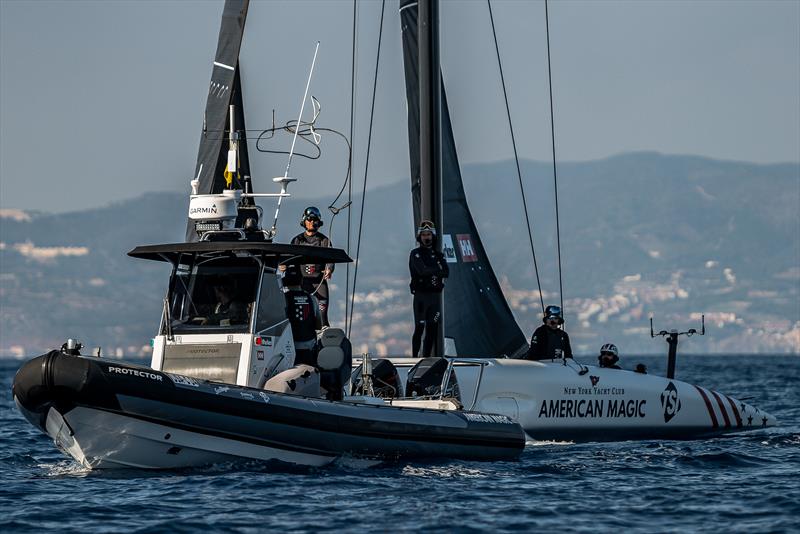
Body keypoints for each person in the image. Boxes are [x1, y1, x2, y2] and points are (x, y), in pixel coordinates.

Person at [409, 220, 449, 358]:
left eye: (429, 234)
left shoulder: (438, 255)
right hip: (421, 297)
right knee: (419, 328)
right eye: (424, 234)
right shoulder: (415, 254)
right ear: (420, 236)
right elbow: (422, 271)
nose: (426, 237)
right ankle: (414, 358)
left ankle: (426, 358)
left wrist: (432, 272)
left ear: (433, 236)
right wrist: (435, 271)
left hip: (434, 298)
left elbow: (446, 272)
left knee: (432, 329)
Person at [291, 206, 334, 327]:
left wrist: (329, 269)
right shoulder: (297, 240)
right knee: (303, 317)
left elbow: (331, 258)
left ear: (318, 222)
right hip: (301, 283)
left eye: (314, 220)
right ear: (304, 221)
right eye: (309, 220)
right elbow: (289, 260)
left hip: (319, 283)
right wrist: (283, 265)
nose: (311, 222)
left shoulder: (324, 240)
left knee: (322, 316)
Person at [282, 266, 319, 367]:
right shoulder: (312, 298)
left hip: (290, 348)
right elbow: (319, 325)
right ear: (301, 281)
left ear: (285, 282)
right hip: (309, 348)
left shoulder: (283, 298)